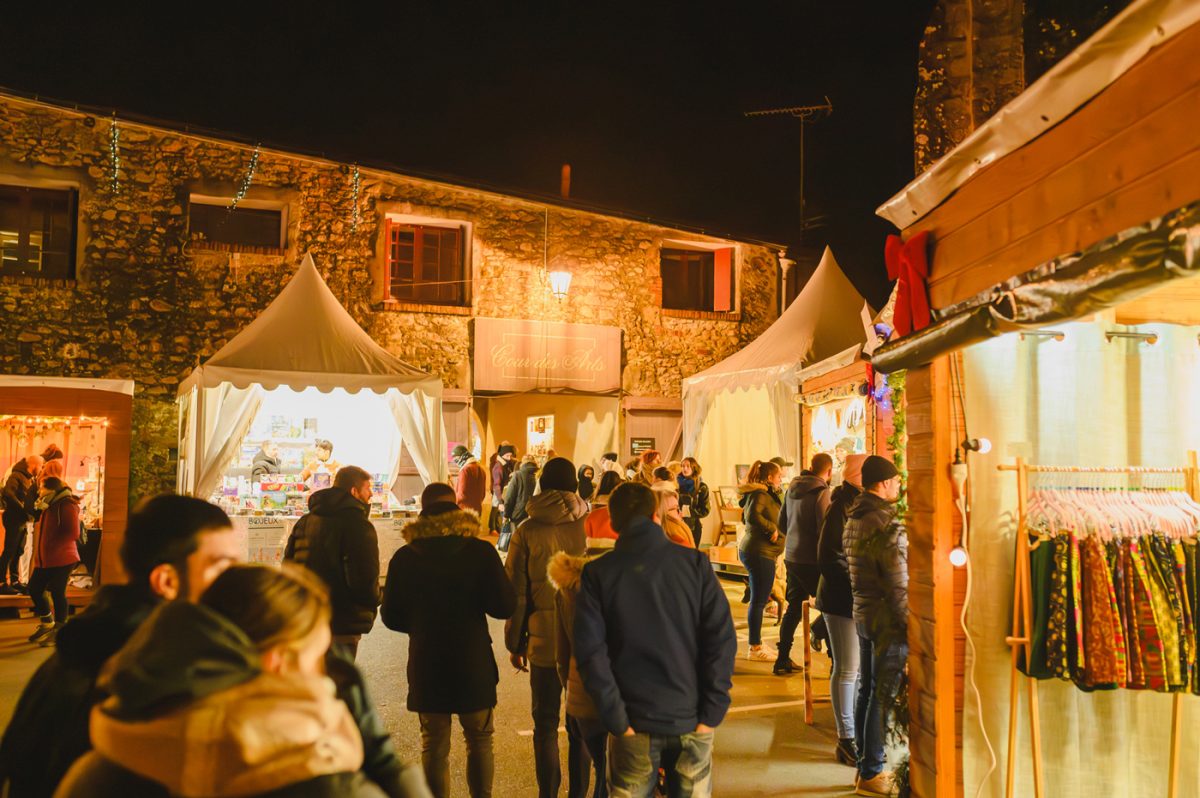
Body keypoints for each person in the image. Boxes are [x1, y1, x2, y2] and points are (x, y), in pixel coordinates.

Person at [56, 564, 387, 798]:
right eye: (317, 657)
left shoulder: (103, 759)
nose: (323, 673)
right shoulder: (320, 778)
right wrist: (377, 752)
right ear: (278, 661)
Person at [0, 495, 242, 797]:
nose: (236, 582)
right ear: (167, 581)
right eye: (222, 567)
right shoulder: (157, 673)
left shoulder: (82, 645)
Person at [574, 482, 737, 797]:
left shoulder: (598, 573)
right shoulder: (695, 564)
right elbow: (721, 639)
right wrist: (712, 711)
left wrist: (617, 721)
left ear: (614, 522)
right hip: (692, 717)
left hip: (631, 721)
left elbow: (590, 654)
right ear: (656, 516)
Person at [382, 483, 516, 798]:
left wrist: (420, 624)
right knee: (480, 739)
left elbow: (390, 616)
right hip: (473, 659)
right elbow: (504, 606)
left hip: (427, 659)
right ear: (457, 508)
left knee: (434, 743)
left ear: (422, 511)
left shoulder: (405, 557)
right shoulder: (481, 552)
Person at [504, 457, 588, 798]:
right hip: (587, 638)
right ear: (575, 485)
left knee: (545, 725)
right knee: (581, 722)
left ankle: (547, 793)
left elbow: (516, 593)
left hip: (544, 640)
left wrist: (515, 642)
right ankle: (579, 793)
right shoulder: (590, 524)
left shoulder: (527, 529)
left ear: (542, 485)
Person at [844, 456, 906, 798]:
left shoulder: (855, 515)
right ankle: (872, 770)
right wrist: (909, 624)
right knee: (880, 696)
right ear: (883, 483)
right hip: (886, 619)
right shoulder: (884, 520)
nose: (898, 485)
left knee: (867, 691)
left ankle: (864, 765)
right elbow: (898, 581)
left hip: (864, 612)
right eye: (895, 480)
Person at [283, 465, 380, 659]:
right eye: (368, 488)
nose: (371, 494)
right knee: (339, 673)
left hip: (308, 617)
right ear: (354, 491)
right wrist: (376, 599)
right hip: (343, 621)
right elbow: (363, 579)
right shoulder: (358, 525)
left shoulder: (305, 521)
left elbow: (288, 567)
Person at [816, 453, 867, 767]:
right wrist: (856, 581)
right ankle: (846, 738)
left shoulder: (855, 503)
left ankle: (853, 733)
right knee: (848, 669)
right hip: (840, 599)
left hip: (852, 598)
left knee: (855, 669)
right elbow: (829, 556)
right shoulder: (841, 507)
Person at [548, 552, 607, 798]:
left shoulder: (567, 588)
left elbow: (562, 656)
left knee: (596, 760)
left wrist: (569, 689)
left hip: (581, 695)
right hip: (621, 697)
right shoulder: (625, 581)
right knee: (610, 773)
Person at [774, 453, 834, 676]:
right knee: (831, 606)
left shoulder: (791, 488)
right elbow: (824, 530)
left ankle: (782, 659)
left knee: (793, 608)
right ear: (829, 471)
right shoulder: (822, 492)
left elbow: (781, 523)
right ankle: (834, 661)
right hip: (812, 559)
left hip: (792, 556)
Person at [26, 459, 80, 648]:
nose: (39, 491)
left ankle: (60, 630)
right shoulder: (48, 505)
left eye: (42, 488)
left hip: (63, 557)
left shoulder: (66, 504)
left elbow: (73, 533)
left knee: (57, 591)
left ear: (51, 490)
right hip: (46, 558)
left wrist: (54, 539)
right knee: (34, 588)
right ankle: (47, 622)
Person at [737, 460, 784, 663]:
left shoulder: (761, 493)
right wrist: (771, 528)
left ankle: (756, 643)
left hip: (760, 551)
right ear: (769, 478)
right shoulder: (760, 494)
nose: (781, 479)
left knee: (759, 599)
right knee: (758, 601)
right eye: (779, 476)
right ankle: (755, 647)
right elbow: (751, 516)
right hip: (760, 552)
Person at [0, 454, 43, 593]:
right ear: (34, 465)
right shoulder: (16, 475)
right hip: (13, 518)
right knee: (9, 551)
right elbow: (8, 493)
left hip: (22, 519)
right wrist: (23, 509)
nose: (41, 469)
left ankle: (15, 581)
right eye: (40, 466)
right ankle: (1, 583)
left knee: (18, 550)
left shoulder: (29, 479)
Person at [500, 455, 537, 552]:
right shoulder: (537, 477)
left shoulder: (518, 475)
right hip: (532, 516)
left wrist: (506, 515)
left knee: (516, 543)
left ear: (523, 463)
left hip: (518, 515)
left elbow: (510, 497)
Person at [676, 457, 710, 548]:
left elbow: (705, 510)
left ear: (694, 468)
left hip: (694, 527)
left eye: (688, 466)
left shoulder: (702, 487)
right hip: (677, 525)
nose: (685, 468)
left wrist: (690, 512)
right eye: (683, 466)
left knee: (692, 553)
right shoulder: (676, 485)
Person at [651, 484, 696, 548]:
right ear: (661, 512)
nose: (681, 513)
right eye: (676, 509)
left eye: (679, 508)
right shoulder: (675, 536)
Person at [585, 471, 622, 541]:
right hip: (616, 539)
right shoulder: (621, 502)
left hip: (596, 539)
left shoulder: (592, 501)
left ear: (601, 483)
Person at [489, 443, 517, 535]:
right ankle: (496, 531)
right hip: (501, 496)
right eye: (507, 456)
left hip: (505, 495)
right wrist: (500, 501)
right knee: (505, 526)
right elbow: (497, 485)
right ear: (502, 455)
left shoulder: (506, 465)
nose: (509, 458)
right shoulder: (499, 466)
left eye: (510, 456)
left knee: (506, 525)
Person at [453, 445, 488, 515]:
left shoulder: (465, 470)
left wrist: (451, 499)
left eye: (456, 459)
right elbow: (483, 494)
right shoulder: (481, 470)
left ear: (463, 456)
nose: (456, 462)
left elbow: (462, 494)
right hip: (477, 510)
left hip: (464, 510)